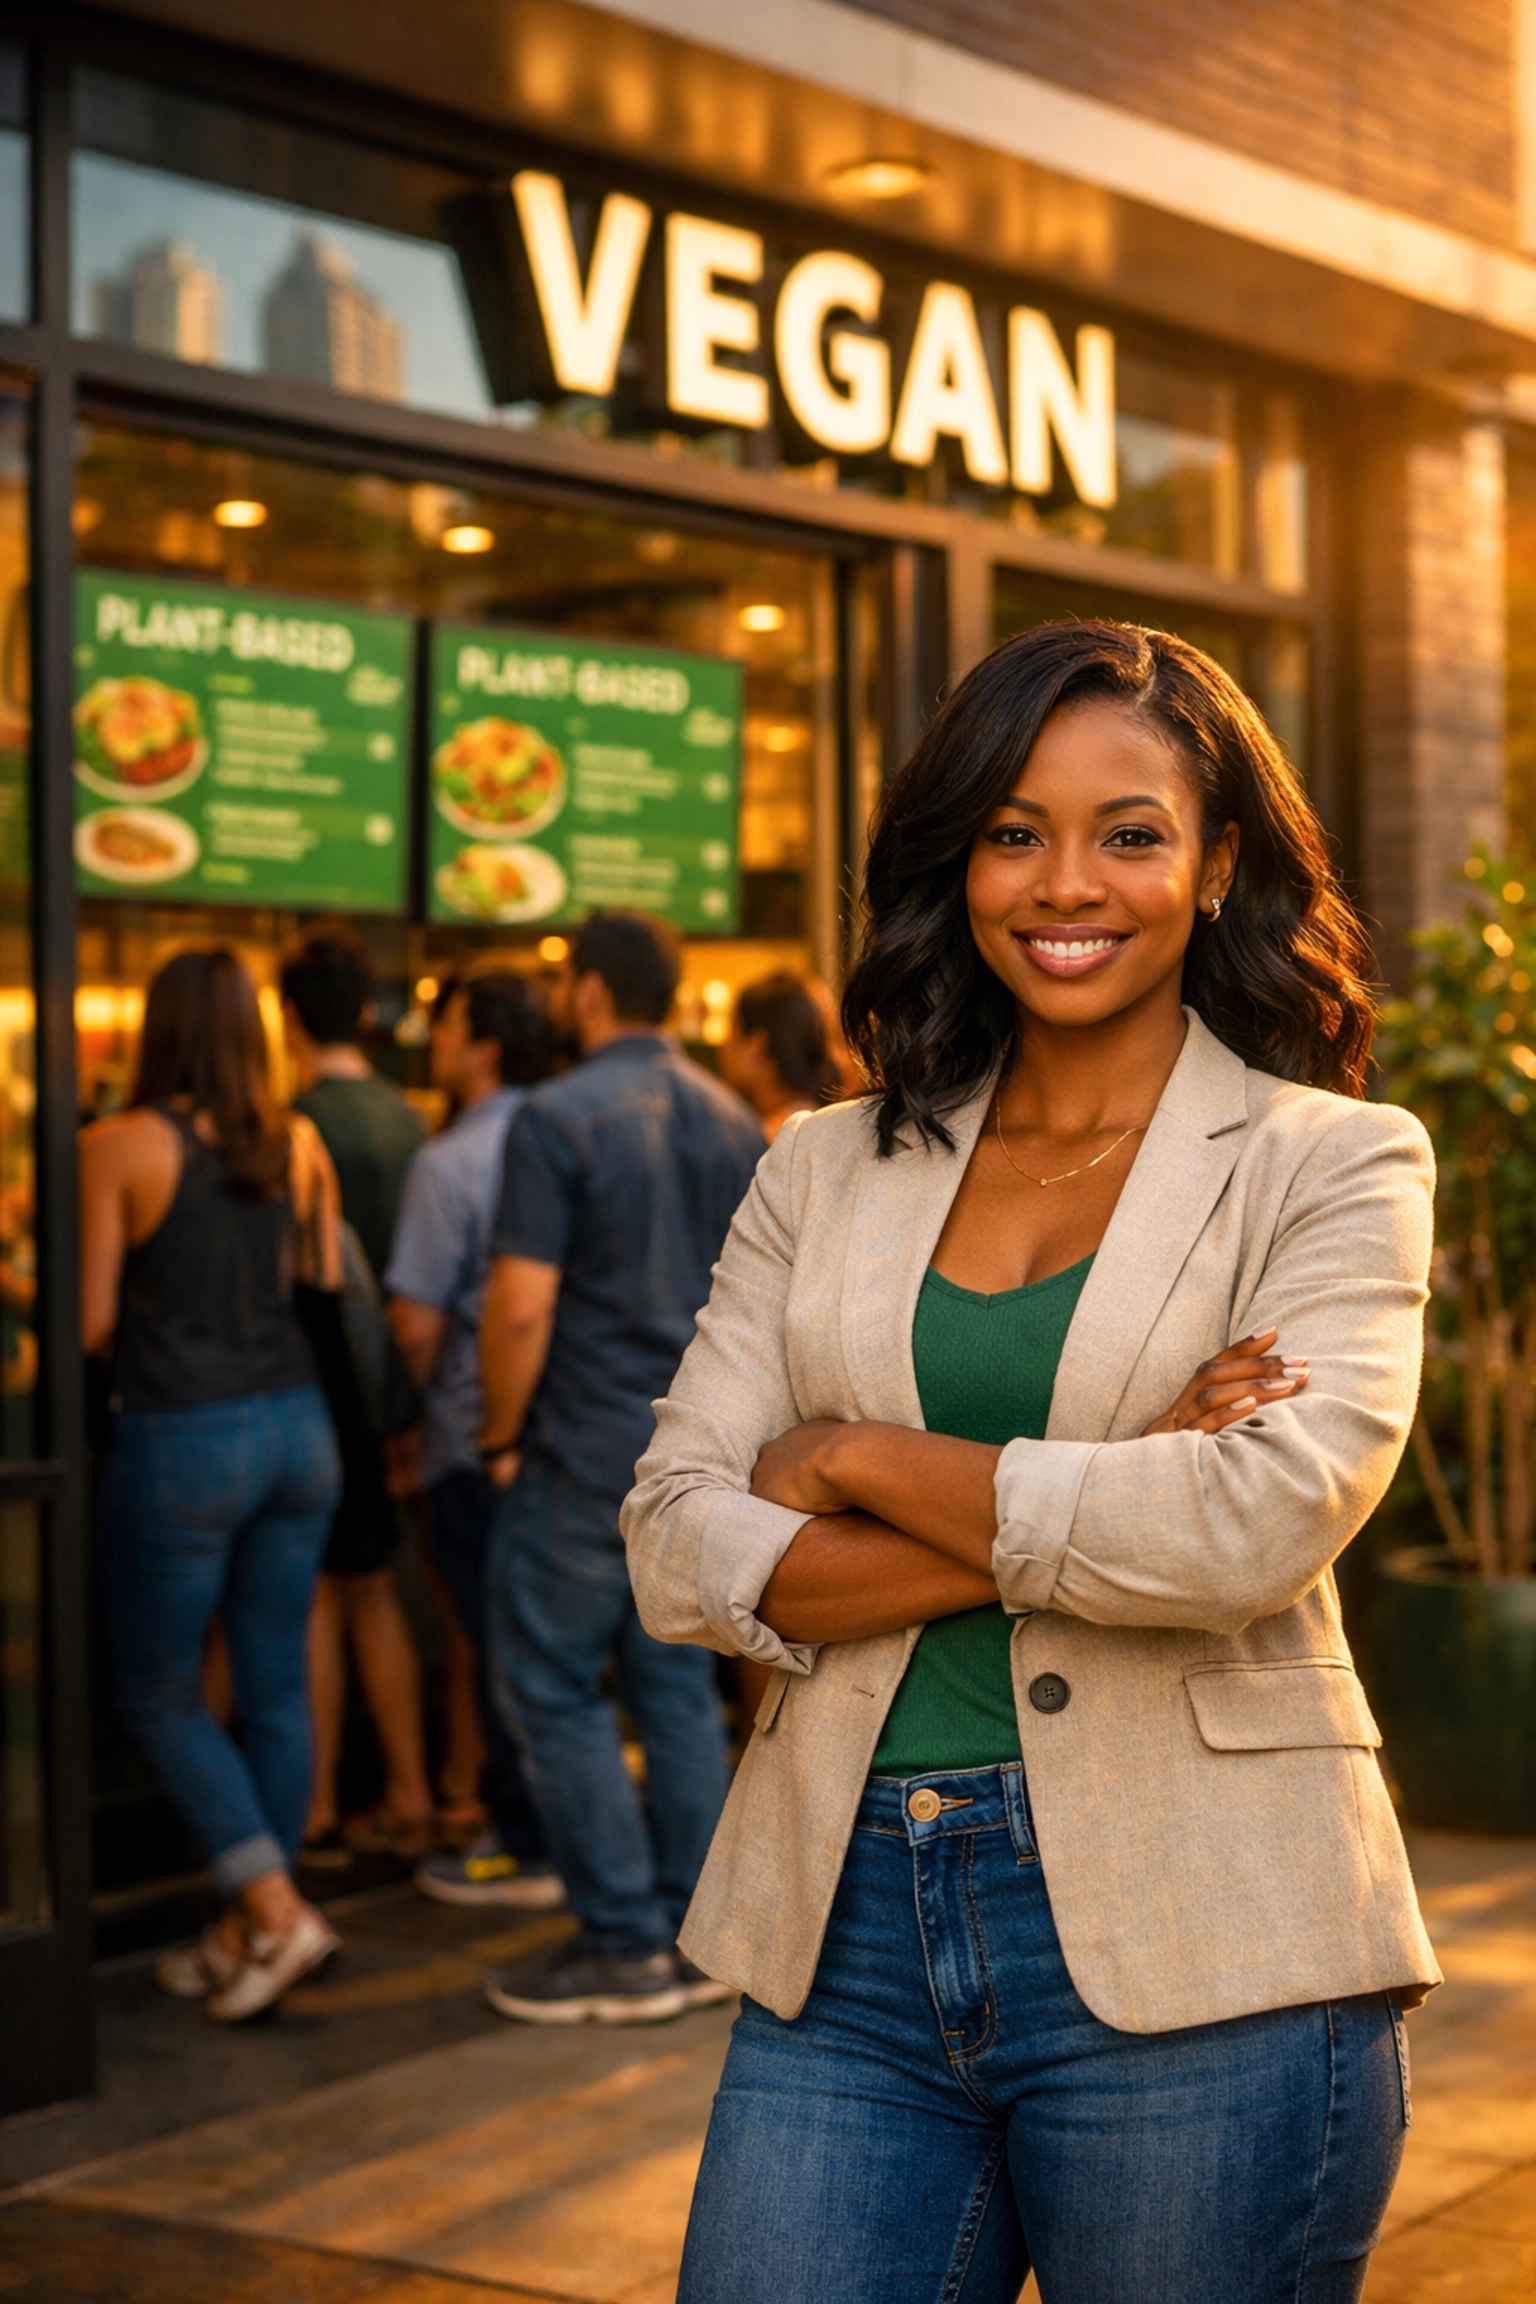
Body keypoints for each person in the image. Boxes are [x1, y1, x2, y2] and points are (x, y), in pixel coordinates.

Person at [624, 620, 1442, 2304]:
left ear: (1217, 863)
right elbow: (674, 1541)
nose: (1066, 882)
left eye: (1129, 832)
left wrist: (851, 1452)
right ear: (960, 858)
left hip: (1218, 1936)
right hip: (842, 1928)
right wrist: (1120, 1466)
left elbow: (1248, 1527)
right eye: (1013, 830)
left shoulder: (1333, 1161)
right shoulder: (821, 1165)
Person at [478, 910, 764, 2023]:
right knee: (674, 1683)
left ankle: (622, 1944)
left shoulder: (555, 1115)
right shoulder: (730, 1114)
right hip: (696, 1448)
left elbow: (519, 1308)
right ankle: (693, 1934)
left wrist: (497, 1437)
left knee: (550, 1683)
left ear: (590, 991)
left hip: (582, 1447)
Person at [82, 948, 345, 2023]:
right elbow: (322, 1283)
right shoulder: (299, 1142)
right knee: (274, 1686)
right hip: (299, 1432)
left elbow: (90, 1322)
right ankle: (246, 1929)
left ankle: (275, 1915)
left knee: (160, 1692)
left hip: (185, 1438)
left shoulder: (118, 1145)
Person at [385, 967, 564, 1909]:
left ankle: (529, 1844)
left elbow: (418, 1324)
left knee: (503, 1650)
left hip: (477, 1433)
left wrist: (409, 1421)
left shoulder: (450, 1161)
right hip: (584, 1437)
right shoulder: (581, 1134)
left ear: (484, 1047)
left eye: (448, 1026)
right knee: (571, 1660)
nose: (436, 1042)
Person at [280, 935, 433, 1864]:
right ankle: (410, 1789)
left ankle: (319, 1807)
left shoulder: (291, 1126)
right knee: (375, 1593)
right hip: (394, 1384)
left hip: (319, 1377)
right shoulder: (408, 1117)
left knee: (316, 1598)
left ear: (289, 1016)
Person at [719, 972, 841, 1143]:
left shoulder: (764, 1143)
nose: (723, 1047)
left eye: (732, 1032)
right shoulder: (825, 1128)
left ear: (756, 1048)